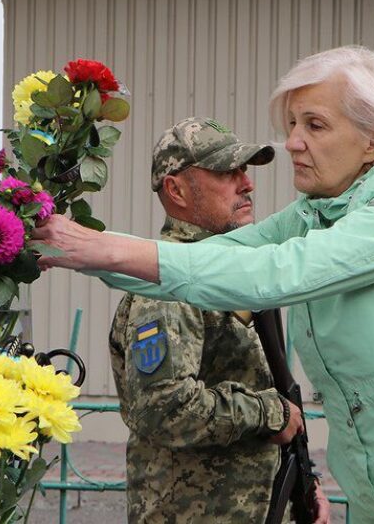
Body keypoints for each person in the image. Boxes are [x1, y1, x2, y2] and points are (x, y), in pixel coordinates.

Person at [33, 46, 374, 524]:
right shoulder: (319, 214)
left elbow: (276, 272)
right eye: (291, 124)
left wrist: (97, 249)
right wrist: (70, 248)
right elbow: (222, 257)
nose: (291, 142)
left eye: (314, 125)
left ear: (373, 142)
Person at [111, 117, 329, 523]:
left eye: (244, 170)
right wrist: (269, 413)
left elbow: (270, 384)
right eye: (227, 173)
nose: (247, 184)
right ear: (175, 189)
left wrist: (304, 480)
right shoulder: (168, 287)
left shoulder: (237, 271)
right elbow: (165, 409)